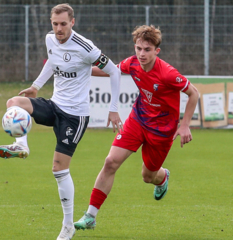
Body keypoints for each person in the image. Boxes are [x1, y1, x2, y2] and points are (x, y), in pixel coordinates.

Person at [0, 3, 122, 240]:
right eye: (55, 24)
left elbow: (114, 71)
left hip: (75, 116)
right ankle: (21, 144)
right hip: (54, 105)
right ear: (51, 23)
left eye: (63, 24)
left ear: (73, 22)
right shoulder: (50, 40)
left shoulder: (86, 47)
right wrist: (35, 87)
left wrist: (113, 110)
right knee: (14, 102)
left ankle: (67, 225)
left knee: (59, 169)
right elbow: (52, 62)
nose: (59, 28)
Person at [74, 25, 199, 231]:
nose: (142, 54)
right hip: (137, 120)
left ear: (156, 51)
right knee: (110, 162)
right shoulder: (132, 63)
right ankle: (90, 216)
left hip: (161, 131)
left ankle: (163, 177)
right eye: (139, 48)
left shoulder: (168, 74)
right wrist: (80, 70)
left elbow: (193, 93)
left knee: (147, 176)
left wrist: (184, 124)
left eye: (147, 50)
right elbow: (110, 70)